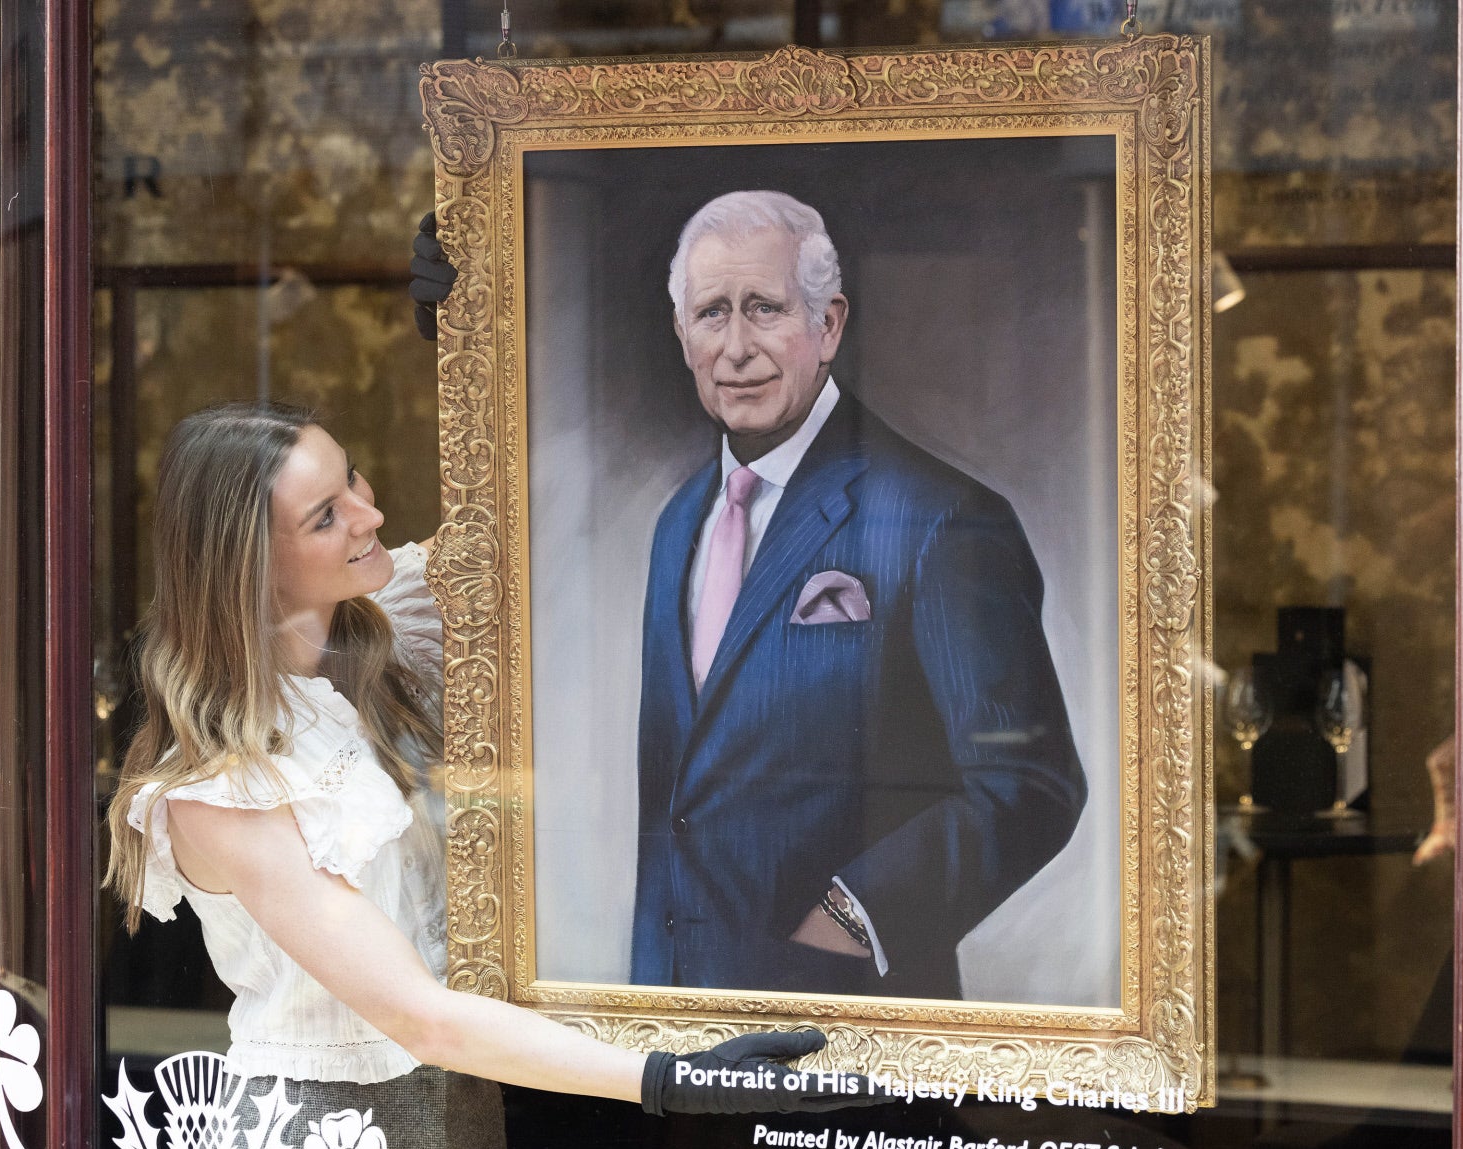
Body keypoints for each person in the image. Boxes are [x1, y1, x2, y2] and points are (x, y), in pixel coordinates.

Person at [105, 402, 872, 1149]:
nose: (370, 513)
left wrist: (489, 293)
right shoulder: (224, 790)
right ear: (247, 566)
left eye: (351, 477)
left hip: (460, 1123)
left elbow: (521, 526)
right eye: (326, 517)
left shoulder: (379, 616)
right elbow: (418, 1014)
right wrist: (662, 1076)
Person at [412, 192, 1088, 1001]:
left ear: (828, 324)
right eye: (711, 313)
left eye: (764, 309)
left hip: (848, 1042)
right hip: (673, 1030)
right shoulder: (677, 523)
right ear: (682, 335)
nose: (736, 347)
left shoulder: (942, 519)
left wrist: (849, 920)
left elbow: (1030, 786)